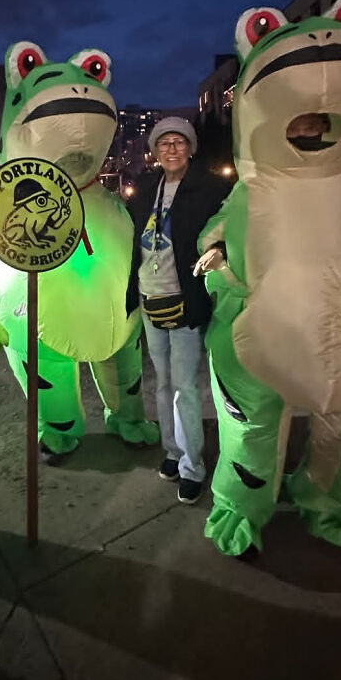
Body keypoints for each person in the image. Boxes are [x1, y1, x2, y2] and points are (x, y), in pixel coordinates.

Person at [126, 117, 229, 504]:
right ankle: (172, 450)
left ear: (191, 148)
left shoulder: (210, 189)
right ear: (155, 151)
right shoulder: (146, 189)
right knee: (163, 382)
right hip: (150, 296)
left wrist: (220, 253)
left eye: (179, 142)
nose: (171, 149)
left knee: (185, 386)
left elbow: (227, 230)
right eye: (163, 143)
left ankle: (192, 465)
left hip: (185, 297)